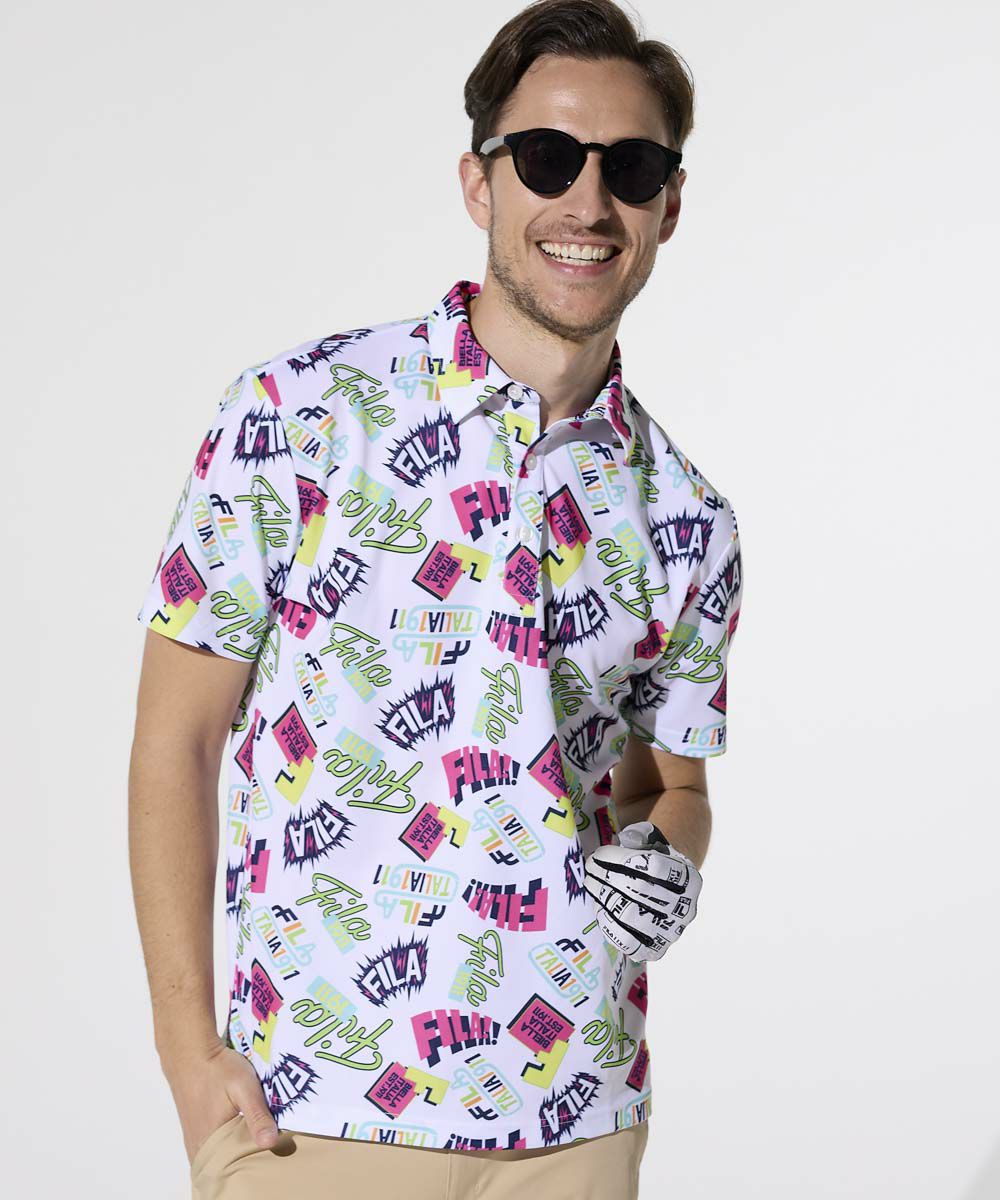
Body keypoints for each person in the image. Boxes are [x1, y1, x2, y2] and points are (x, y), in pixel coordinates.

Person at [128, 2, 744, 1196]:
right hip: (317, 1111)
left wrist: (670, 857)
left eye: (631, 168)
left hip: (581, 1113)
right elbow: (174, 742)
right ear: (479, 183)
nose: (587, 202)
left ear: (668, 204)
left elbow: (669, 790)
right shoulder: (297, 417)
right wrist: (187, 1057)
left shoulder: (686, 516)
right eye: (549, 158)